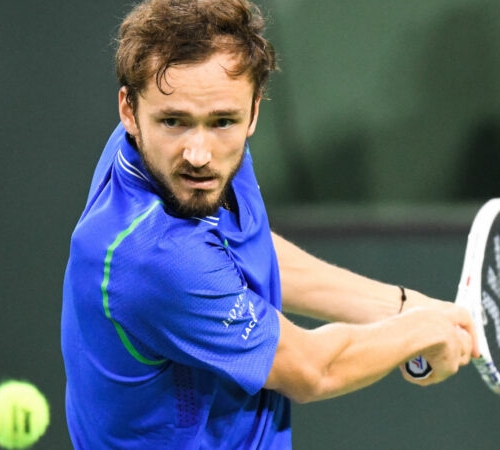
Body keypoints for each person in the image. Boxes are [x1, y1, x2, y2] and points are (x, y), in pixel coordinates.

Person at [60, 0, 479, 448]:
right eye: (174, 122)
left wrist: (398, 307)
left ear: (253, 111)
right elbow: (313, 369)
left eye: (223, 121)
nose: (199, 154)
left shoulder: (167, 154)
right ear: (129, 110)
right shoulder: (153, 257)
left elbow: (243, 254)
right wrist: (420, 329)